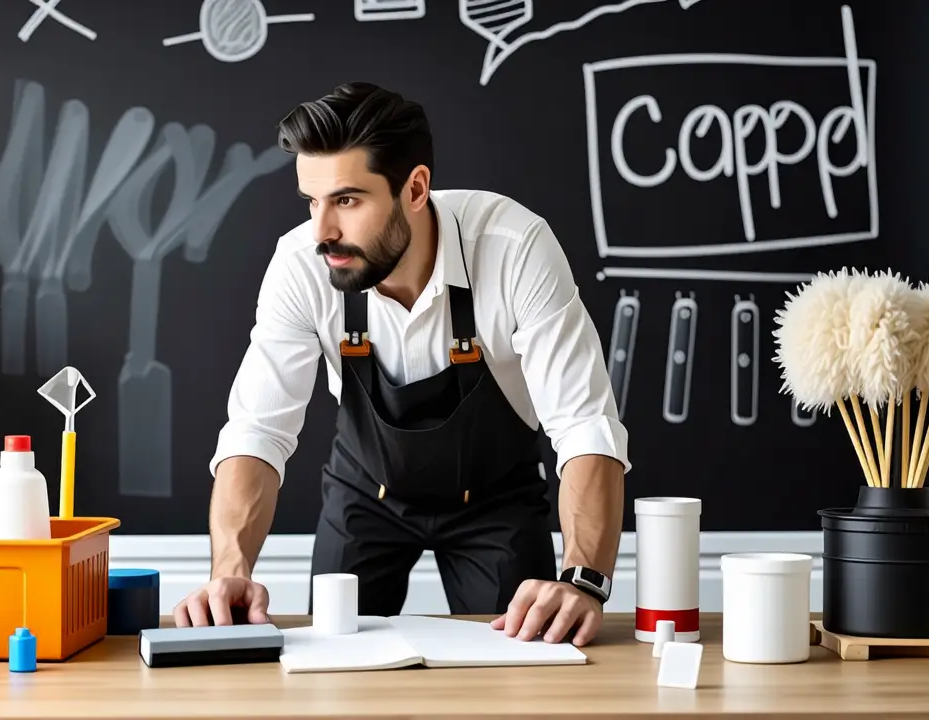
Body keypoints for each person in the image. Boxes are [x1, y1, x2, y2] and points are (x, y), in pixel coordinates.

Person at [173, 81, 630, 647]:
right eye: (311, 202)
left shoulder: (514, 247)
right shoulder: (301, 264)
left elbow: (584, 424)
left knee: (524, 664)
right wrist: (229, 572)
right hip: (367, 493)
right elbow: (259, 430)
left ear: (415, 188)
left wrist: (583, 579)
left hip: (496, 499)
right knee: (336, 667)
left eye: (347, 200)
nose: (322, 233)